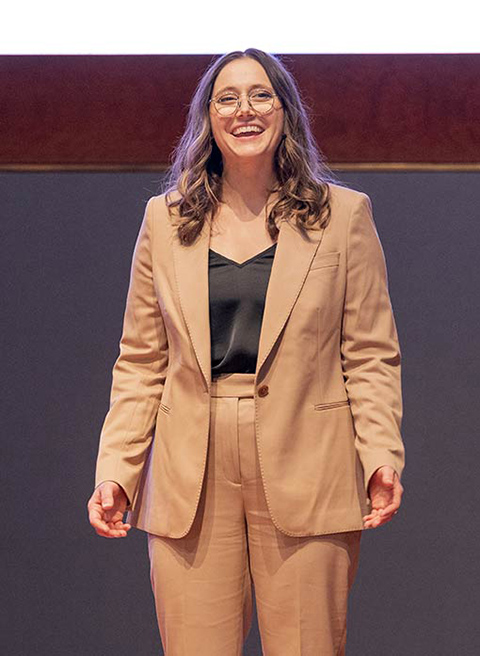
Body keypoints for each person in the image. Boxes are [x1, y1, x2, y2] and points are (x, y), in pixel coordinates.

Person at [87, 47, 405, 655]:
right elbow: (141, 361)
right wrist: (117, 469)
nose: (244, 110)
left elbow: (369, 354)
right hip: (192, 472)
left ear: (285, 111)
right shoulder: (165, 220)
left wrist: (380, 454)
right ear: (208, 118)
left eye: (261, 95)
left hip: (308, 462)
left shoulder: (343, 217)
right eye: (226, 98)